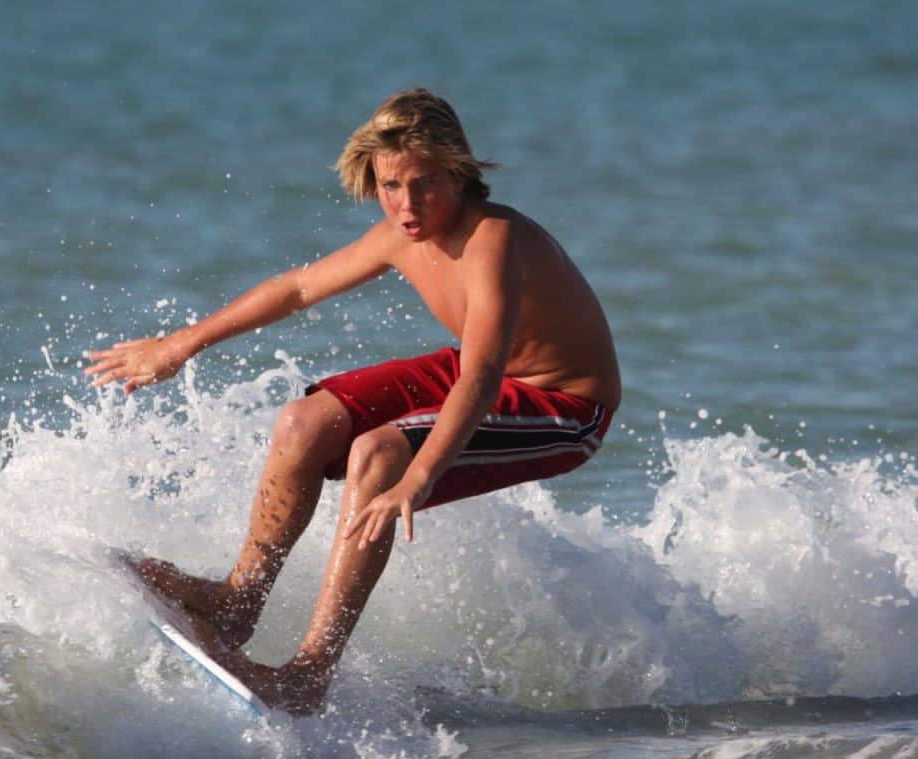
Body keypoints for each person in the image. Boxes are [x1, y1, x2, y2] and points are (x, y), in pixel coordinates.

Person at [84, 88, 622, 714]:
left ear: (458, 171)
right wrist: (182, 344)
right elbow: (297, 287)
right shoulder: (399, 234)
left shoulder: (493, 239)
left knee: (378, 454)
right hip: (483, 373)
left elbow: (479, 376)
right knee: (303, 422)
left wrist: (417, 478)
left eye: (424, 184)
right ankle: (237, 604)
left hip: (563, 405)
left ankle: (310, 675)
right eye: (391, 186)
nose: (406, 204)